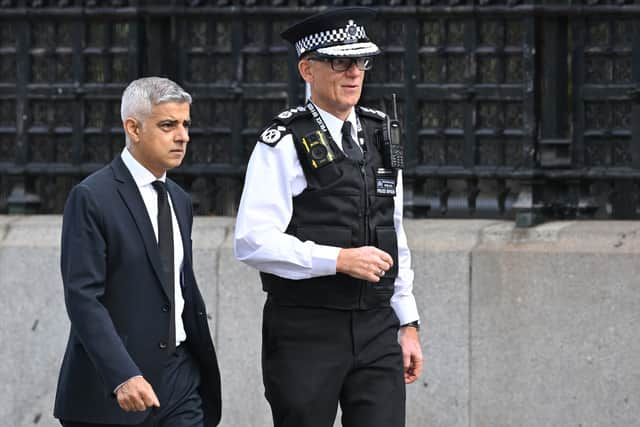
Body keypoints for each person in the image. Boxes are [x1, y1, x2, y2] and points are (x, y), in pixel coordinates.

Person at [234, 7, 423, 427]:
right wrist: (337, 259)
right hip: (307, 328)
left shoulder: (379, 133)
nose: (354, 72)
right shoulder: (283, 142)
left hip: (376, 326)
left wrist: (407, 322)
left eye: (361, 61)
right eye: (340, 61)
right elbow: (251, 240)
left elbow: (394, 231)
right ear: (307, 69)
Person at [54, 77, 221, 427]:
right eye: (168, 125)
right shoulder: (92, 197)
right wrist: (122, 375)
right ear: (133, 128)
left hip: (180, 380)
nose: (182, 136)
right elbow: (83, 298)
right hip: (113, 388)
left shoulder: (179, 199)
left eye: (186, 124)